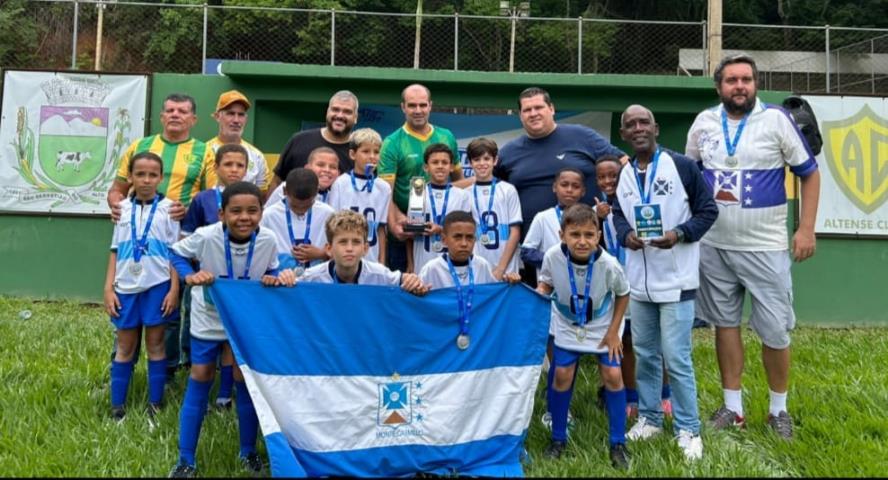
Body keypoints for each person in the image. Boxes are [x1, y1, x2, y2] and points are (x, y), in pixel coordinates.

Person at [685, 54, 820, 439]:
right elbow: (690, 174)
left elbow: (809, 175)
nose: (739, 86)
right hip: (715, 245)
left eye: (746, 79)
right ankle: (733, 407)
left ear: (755, 84)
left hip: (766, 245)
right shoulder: (704, 123)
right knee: (725, 325)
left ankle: (779, 410)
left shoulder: (777, 120)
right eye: (731, 80)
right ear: (719, 86)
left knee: (775, 331)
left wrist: (806, 229)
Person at [168, 182, 296, 478]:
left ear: (262, 213)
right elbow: (175, 253)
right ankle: (186, 458)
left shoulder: (267, 240)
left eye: (252, 211)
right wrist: (190, 275)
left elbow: (274, 268)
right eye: (236, 211)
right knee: (200, 375)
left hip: (244, 318)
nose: (244, 217)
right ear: (222, 213)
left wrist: (273, 277)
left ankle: (248, 452)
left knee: (245, 380)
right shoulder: (205, 236)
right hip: (209, 316)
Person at [612, 105, 718, 461]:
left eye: (644, 122)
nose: (638, 128)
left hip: (677, 278)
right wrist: (625, 234)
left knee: (676, 356)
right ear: (623, 133)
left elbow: (708, 210)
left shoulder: (682, 166)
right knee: (644, 354)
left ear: (655, 128)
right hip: (639, 281)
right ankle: (650, 418)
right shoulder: (625, 172)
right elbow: (617, 213)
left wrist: (680, 234)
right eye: (631, 125)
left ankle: (689, 428)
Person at [106, 92, 215, 378]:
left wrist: (188, 209)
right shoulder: (140, 146)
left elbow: (212, 198)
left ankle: (165, 374)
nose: (175, 115)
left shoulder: (205, 152)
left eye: (182, 111)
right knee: (125, 305)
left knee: (169, 308)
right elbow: (116, 189)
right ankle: (119, 367)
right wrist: (117, 206)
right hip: (138, 238)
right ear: (162, 116)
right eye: (170, 110)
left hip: (179, 240)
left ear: (193, 119)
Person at [495, 87, 626, 283]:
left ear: (552, 109)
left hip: (588, 246)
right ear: (520, 115)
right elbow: (489, 183)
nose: (533, 114)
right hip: (537, 255)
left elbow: (623, 162)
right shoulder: (509, 152)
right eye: (527, 110)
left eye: (538, 107)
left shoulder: (582, 136)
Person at [535, 204, 630, 469]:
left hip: (602, 323)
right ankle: (558, 438)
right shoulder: (553, 256)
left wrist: (613, 333)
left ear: (598, 236)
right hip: (567, 322)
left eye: (589, 234)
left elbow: (623, 293)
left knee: (612, 375)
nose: (582, 241)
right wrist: (539, 292)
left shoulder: (609, 264)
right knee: (562, 374)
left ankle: (618, 442)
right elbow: (547, 282)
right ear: (561, 234)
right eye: (575, 234)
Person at [102, 152, 180, 423]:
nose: (146, 180)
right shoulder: (121, 209)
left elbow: (174, 252)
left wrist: (173, 289)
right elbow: (114, 249)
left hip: (157, 285)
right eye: (140, 174)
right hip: (125, 286)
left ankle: (155, 403)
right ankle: (117, 407)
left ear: (160, 178)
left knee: (156, 343)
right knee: (125, 344)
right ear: (131, 177)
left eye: (152, 175)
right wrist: (109, 288)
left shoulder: (170, 208)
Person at [594, 155, 673, 420]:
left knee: (655, 341)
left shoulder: (639, 205)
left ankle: (665, 394)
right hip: (615, 288)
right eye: (602, 177)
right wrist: (597, 219)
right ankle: (630, 396)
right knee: (624, 341)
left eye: (613, 176)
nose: (608, 181)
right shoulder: (599, 211)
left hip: (644, 281)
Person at [180, 143, 249, 411]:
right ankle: (199, 385)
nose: (234, 170)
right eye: (228, 164)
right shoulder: (203, 199)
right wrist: (194, 272)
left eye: (239, 165)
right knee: (201, 332)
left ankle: (225, 393)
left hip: (236, 282)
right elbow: (187, 239)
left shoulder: (249, 199)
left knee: (231, 338)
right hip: (205, 279)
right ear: (216, 168)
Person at [520, 166, 585, 431]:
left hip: (580, 298)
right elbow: (526, 251)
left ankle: (562, 401)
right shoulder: (543, 217)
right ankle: (553, 404)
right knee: (555, 350)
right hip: (549, 296)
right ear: (554, 187)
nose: (569, 190)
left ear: (582, 191)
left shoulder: (587, 219)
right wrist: (554, 258)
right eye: (564, 185)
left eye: (575, 186)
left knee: (571, 351)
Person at [378, 84, 463, 272]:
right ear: (403, 107)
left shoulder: (446, 136)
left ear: (430, 106)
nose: (418, 111)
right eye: (412, 105)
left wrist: (445, 226)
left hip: (444, 233)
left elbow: (458, 182)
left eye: (423, 105)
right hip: (406, 236)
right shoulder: (392, 143)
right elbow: (385, 193)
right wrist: (397, 222)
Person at [299, 210, 428, 296]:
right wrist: (285, 279)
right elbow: (289, 290)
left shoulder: (379, 274)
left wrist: (414, 282)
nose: (349, 248)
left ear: (365, 248)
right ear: (329, 249)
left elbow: (404, 279)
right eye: (343, 242)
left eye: (356, 242)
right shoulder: (311, 277)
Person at [270, 90, 358, 193]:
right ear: (327, 112)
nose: (339, 115)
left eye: (347, 112)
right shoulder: (299, 141)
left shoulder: (359, 152)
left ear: (355, 118)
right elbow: (277, 182)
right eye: (335, 109)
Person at [327, 128, 391, 264]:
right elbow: (332, 225)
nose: (372, 156)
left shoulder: (384, 187)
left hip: (371, 257)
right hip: (344, 256)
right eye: (366, 151)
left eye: (376, 152)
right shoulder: (340, 183)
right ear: (352, 154)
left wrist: (382, 260)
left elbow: (381, 228)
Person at [407, 144, 471, 275]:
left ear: (452, 167)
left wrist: (440, 229)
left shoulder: (462, 195)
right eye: (435, 162)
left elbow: (466, 231)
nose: (440, 166)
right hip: (422, 262)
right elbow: (411, 233)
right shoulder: (418, 191)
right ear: (426, 167)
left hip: (452, 265)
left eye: (445, 162)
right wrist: (411, 264)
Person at [465, 138, 522, 280]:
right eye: (477, 159)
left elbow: (515, 232)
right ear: (470, 162)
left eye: (486, 159)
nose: (482, 164)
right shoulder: (465, 194)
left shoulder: (508, 190)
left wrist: (501, 269)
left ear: (495, 160)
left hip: (506, 269)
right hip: (477, 267)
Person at [419, 210, 522, 289]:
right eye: (457, 237)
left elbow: (493, 296)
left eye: (469, 237)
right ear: (444, 240)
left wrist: (509, 282)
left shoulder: (482, 265)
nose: (464, 244)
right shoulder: (431, 269)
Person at [261, 168, 335, 275]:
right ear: (285, 191)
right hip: (281, 279)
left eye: (307, 205)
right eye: (295, 205)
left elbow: (341, 249)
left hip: (317, 278)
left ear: (316, 191)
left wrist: (322, 254)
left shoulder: (329, 214)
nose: (301, 210)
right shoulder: (269, 215)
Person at [205, 90, 271, 195]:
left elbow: (262, 194)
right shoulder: (204, 151)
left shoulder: (257, 156)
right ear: (217, 116)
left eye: (241, 115)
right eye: (230, 113)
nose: (236, 120)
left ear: (246, 119)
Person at [265, 146, 340, 206]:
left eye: (333, 167)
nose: (327, 170)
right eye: (320, 165)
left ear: (338, 173)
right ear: (307, 168)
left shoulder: (337, 194)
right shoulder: (289, 187)